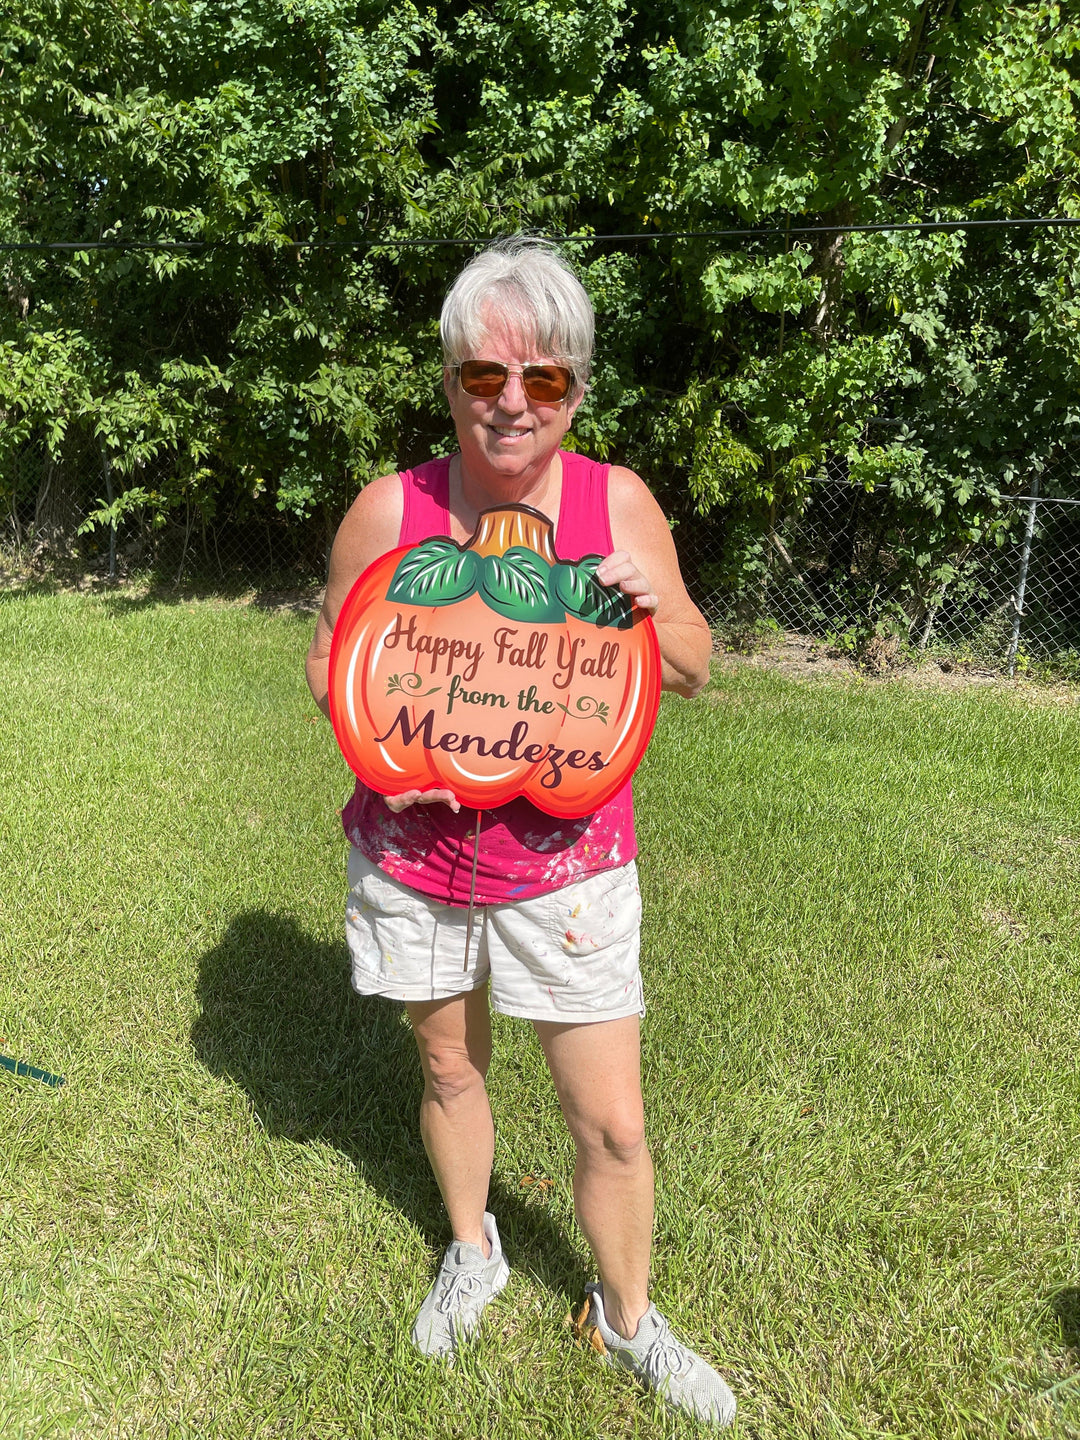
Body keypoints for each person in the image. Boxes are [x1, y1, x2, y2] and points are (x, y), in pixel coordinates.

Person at [305, 236, 735, 1428]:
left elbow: (696, 665)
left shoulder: (618, 503)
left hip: (570, 867)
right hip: (418, 854)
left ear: (576, 390)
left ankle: (626, 1317)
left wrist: (658, 611)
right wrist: (385, 758)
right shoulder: (394, 508)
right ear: (447, 379)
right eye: (482, 375)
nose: (509, 402)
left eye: (540, 381)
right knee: (448, 1065)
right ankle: (475, 1250)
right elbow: (333, 658)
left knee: (609, 1118)